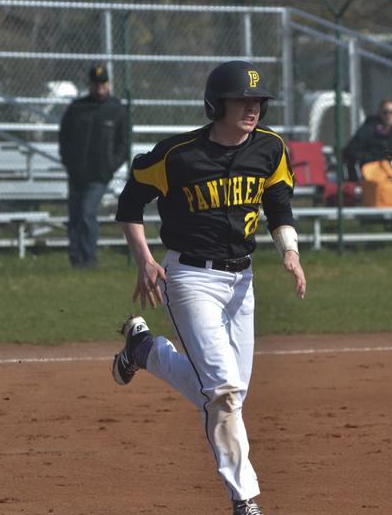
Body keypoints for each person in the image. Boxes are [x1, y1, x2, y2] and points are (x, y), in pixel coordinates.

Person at [112, 60, 306, 515]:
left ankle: (144, 351)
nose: (252, 108)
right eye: (242, 99)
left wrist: (290, 252)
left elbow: (279, 205)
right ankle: (246, 499)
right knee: (221, 391)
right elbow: (130, 202)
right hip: (190, 277)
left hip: (243, 280)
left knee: (229, 392)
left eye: (257, 101)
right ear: (216, 104)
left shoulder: (270, 148)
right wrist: (144, 259)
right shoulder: (178, 155)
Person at [58, 63, 128, 268]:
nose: (99, 88)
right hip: (76, 172)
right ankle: (75, 256)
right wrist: (68, 161)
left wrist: (110, 166)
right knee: (74, 213)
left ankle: (89, 257)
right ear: (89, 84)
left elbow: (123, 143)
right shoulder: (77, 108)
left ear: (108, 84)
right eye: (95, 84)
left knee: (87, 211)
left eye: (103, 84)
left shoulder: (117, 110)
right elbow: (64, 137)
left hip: (99, 174)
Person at [342, 99, 392, 182]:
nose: (389, 115)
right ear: (380, 113)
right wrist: (373, 158)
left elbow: (391, 153)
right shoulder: (368, 129)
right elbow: (351, 150)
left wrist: (387, 159)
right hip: (369, 167)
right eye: (385, 112)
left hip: (386, 166)